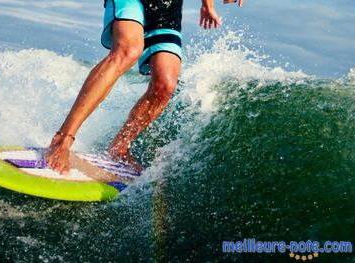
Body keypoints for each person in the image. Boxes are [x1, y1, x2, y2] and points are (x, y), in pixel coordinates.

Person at [46, 0, 244, 174]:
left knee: (165, 84)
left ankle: (119, 149)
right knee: (127, 51)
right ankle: (62, 139)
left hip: (167, 10)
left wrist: (207, 5)